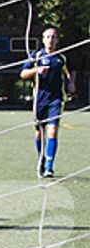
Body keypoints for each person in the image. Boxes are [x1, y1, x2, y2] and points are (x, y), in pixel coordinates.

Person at [19, 25, 75, 178]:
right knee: (39, 133)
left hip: (56, 100)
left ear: (57, 40)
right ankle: (41, 159)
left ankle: (49, 166)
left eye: (53, 37)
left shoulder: (61, 58)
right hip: (39, 100)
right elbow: (23, 74)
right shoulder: (36, 55)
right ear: (43, 40)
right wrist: (36, 70)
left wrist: (71, 83)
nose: (50, 40)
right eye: (47, 37)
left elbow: (70, 71)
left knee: (52, 130)